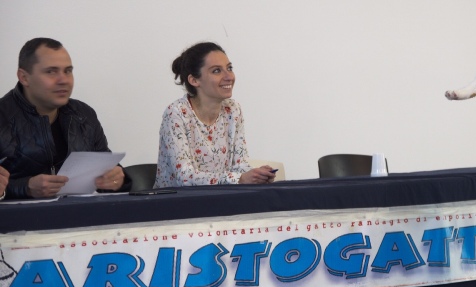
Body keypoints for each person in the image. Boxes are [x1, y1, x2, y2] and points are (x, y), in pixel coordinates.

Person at [0, 38, 129, 199]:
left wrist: (117, 179)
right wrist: (25, 188)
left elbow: (106, 170)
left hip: (78, 213)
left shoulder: (83, 115)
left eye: (68, 71)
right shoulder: (3, 116)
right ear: (24, 77)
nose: (63, 80)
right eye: (51, 72)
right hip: (19, 215)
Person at [155, 42, 276, 187]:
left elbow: (239, 164)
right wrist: (238, 179)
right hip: (177, 199)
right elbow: (185, 177)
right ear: (194, 80)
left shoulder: (233, 110)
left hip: (220, 197)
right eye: (217, 71)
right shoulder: (176, 113)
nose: (229, 76)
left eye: (229, 68)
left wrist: (255, 174)